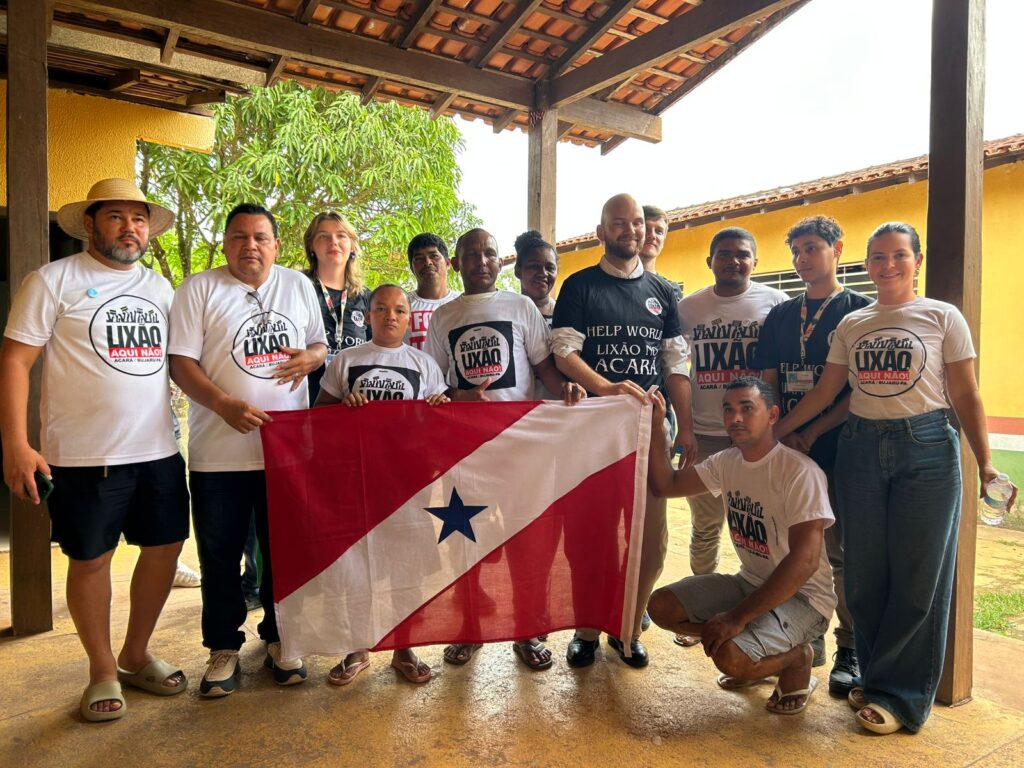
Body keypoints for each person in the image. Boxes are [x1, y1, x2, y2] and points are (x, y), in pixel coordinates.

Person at [774, 222, 1018, 735]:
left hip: (926, 448)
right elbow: (827, 393)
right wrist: (775, 433)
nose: (888, 265)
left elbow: (966, 393)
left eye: (899, 255)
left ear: (917, 261)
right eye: (878, 257)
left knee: (917, 576)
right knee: (864, 577)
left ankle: (901, 699)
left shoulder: (942, 316)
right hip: (860, 448)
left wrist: (986, 462)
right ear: (866, 264)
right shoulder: (854, 323)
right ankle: (877, 677)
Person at [0, 178, 189, 722]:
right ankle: (102, 668)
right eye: (116, 217)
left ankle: (135, 654)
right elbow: (14, 361)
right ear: (89, 224)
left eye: (139, 219)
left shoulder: (159, 288)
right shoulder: (53, 280)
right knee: (91, 561)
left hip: (157, 451)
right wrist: (16, 445)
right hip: (83, 457)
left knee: (165, 548)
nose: (130, 228)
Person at [169, 203, 328, 697]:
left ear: (276, 246)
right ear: (225, 244)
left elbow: (320, 345)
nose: (250, 246)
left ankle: (282, 636)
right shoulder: (198, 289)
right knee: (219, 554)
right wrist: (222, 403)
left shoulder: (298, 286)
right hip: (219, 453)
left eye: (260, 237)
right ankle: (223, 647)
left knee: (285, 550)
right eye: (239, 237)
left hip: (286, 451)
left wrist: (311, 358)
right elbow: (180, 363)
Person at [425, 228, 584, 670]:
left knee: (526, 541)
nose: (481, 261)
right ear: (456, 264)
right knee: (466, 541)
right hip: (466, 451)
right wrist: (457, 397)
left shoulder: (520, 307)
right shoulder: (444, 316)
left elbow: (544, 368)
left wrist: (566, 388)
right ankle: (469, 627)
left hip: (519, 448)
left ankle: (527, 629)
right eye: (471, 254)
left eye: (489, 253)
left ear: (501, 262)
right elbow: (434, 383)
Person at [551, 193, 697, 668]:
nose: (631, 230)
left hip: (650, 430)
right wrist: (606, 388)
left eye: (636, 222)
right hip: (592, 432)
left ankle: (627, 628)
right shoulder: (579, 286)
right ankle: (587, 630)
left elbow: (675, 363)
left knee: (650, 541)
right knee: (588, 537)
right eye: (619, 223)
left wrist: (686, 427)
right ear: (601, 232)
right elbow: (564, 352)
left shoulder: (663, 292)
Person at [646, 377, 835, 716]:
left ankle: (796, 659)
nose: (735, 418)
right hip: (750, 582)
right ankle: (759, 648)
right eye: (728, 410)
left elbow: (805, 562)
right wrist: (658, 427)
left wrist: (737, 618)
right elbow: (666, 485)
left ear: (773, 415)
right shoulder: (727, 462)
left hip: (805, 600)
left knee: (731, 657)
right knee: (661, 607)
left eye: (747, 409)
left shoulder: (799, 472)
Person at [754, 215, 872, 696]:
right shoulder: (782, 315)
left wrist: (809, 430)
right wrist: (776, 433)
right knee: (789, 549)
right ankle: (800, 640)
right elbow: (768, 381)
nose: (802, 259)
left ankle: (850, 648)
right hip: (786, 449)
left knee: (840, 553)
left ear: (837, 248)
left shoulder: (859, 310)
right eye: (796, 251)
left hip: (839, 447)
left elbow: (857, 388)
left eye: (811, 248)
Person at [314, 283, 450, 685]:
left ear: (409, 318)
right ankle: (358, 647)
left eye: (399, 310)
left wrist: (438, 410)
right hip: (356, 480)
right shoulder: (346, 361)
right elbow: (319, 416)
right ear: (368, 315)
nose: (391, 316)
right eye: (381, 308)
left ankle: (404, 646)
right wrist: (343, 408)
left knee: (405, 566)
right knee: (359, 565)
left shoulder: (424, 364)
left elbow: (441, 426)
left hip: (407, 482)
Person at [674, 227, 787, 649]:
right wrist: (685, 429)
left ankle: (764, 613)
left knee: (763, 528)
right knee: (706, 526)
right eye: (723, 254)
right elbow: (675, 366)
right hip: (705, 433)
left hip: (757, 438)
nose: (732, 261)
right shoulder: (688, 308)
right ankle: (700, 607)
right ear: (710, 261)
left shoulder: (775, 303)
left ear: (755, 261)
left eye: (741, 254)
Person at [302, 212, 371, 403]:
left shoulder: (367, 298)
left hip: (354, 405)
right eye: (323, 236)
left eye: (341, 235)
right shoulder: (297, 288)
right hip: (304, 402)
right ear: (311, 246)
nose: (333, 242)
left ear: (352, 246)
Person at [406, 232, 459, 349]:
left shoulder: (463, 304)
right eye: (419, 259)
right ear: (412, 268)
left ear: (448, 263)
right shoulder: (401, 306)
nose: (427, 262)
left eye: (434, 256)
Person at [513, 229, 557, 324]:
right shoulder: (508, 314)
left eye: (550, 268)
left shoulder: (566, 312)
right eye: (534, 267)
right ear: (518, 271)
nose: (543, 273)